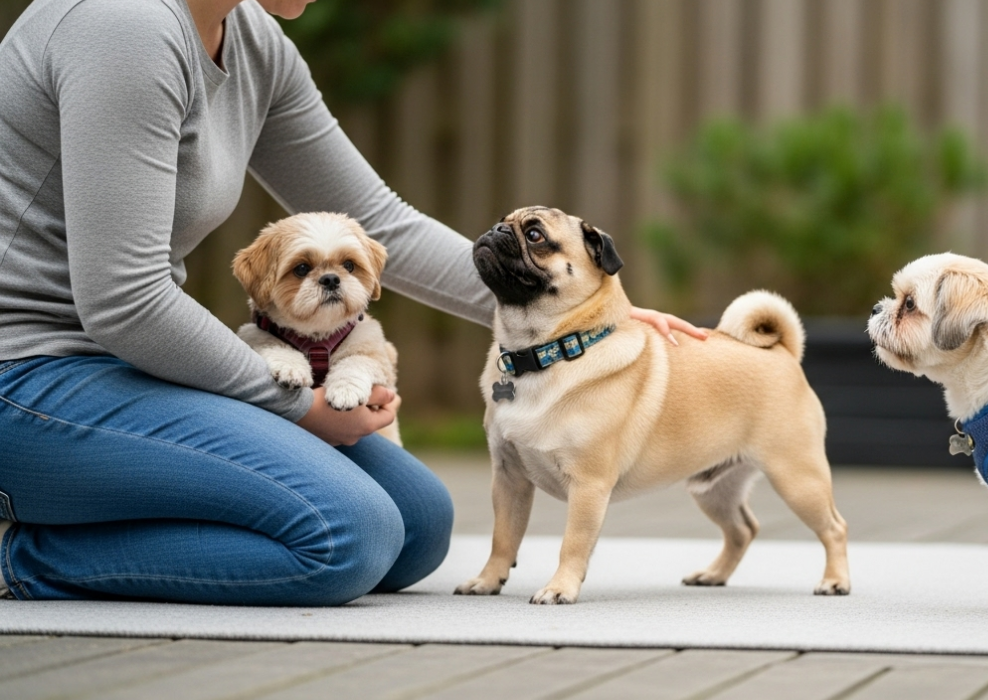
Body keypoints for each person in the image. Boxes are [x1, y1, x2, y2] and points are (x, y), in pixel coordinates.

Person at [0, 0, 704, 605]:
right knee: (346, 537)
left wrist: (581, 313)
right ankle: (20, 557)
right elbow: (125, 298)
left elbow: (379, 219)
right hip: (28, 380)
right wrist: (292, 406)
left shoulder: (250, 40)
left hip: (120, 371)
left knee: (418, 525)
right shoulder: (124, 28)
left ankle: (83, 519)